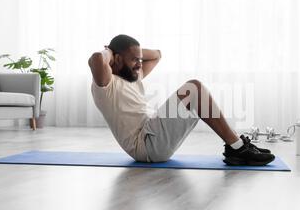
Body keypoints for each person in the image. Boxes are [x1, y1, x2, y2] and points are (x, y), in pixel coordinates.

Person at [89, 34, 275, 166]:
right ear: (117, 59)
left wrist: (134, 54)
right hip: (145, 145)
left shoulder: (132, 75)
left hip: (153, 136)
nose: (140, 64)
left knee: (195, 93)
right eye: (134, 60)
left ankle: (237, 146)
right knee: (193, 88)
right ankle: (237, 148)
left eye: (140, 60)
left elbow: (157, 55)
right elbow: (97, 58)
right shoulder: (106, 84)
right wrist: (110, 51)